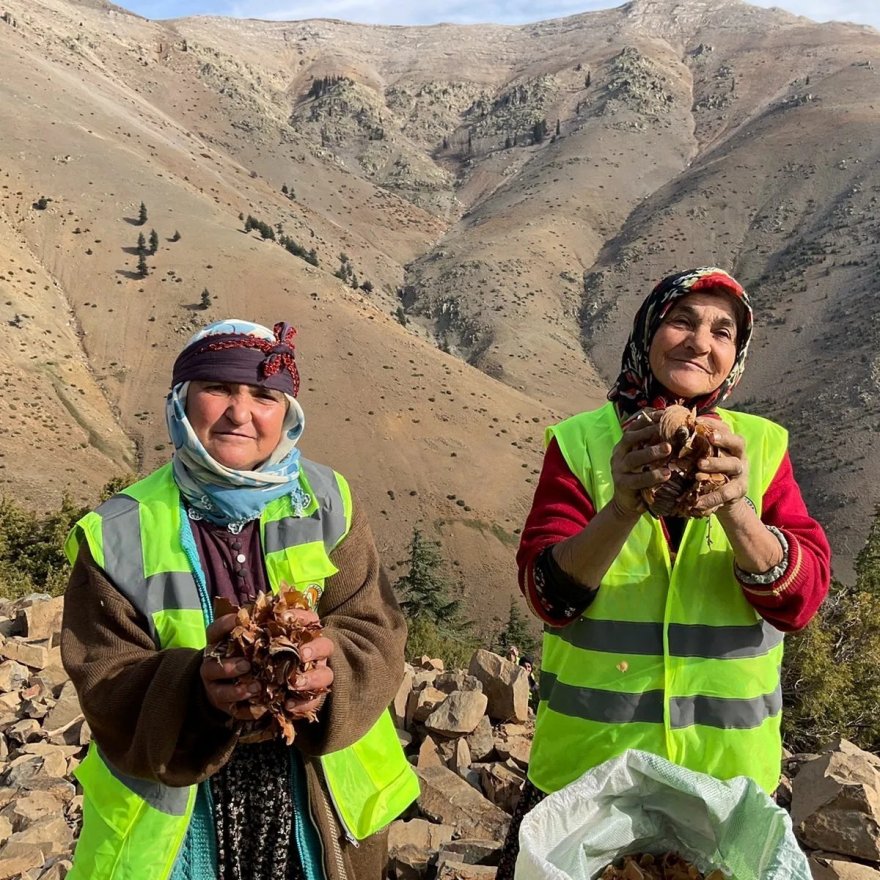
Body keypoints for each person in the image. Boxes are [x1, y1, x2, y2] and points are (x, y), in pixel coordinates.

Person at [496, 267, 831, 878]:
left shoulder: (761, 449)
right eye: (682, 320)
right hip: (589, 787)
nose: (701, 341)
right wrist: (621, 507)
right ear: (649, 331)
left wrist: (736, 506)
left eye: (722, 331)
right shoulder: (583, 444)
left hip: (722, 794)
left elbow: (800, 600)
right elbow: (547, 595)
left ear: (736, 356)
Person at [61, 319, 419, 880]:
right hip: (180, 820)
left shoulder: (328, 501)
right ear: (182, 400)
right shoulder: (116, 534)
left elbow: (375, 626)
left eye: (264, 396)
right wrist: (197, 692)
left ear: (287, 413)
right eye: (219, 388)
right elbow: (104, 677)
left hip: (317, 807)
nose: (241, 412)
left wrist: (329, 672)